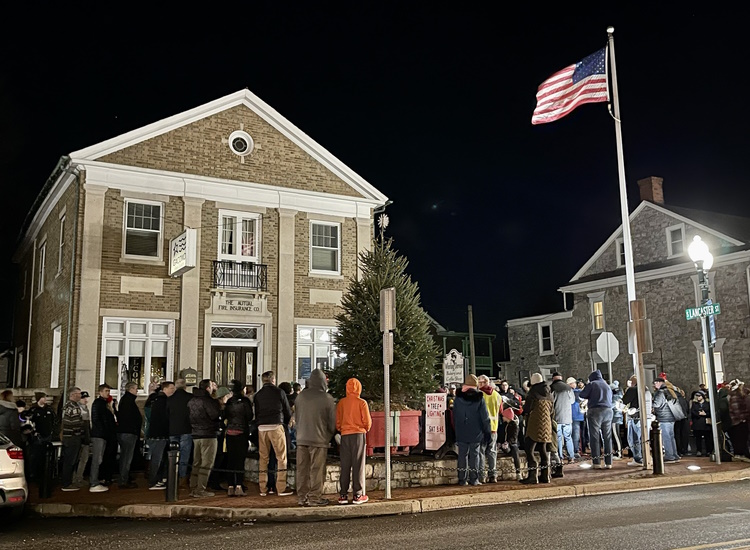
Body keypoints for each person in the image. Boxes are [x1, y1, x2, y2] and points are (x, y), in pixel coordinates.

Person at [295, 369, 336, 506]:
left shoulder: (300, 397)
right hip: (319, 440)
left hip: (301, 438)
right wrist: (328, 437)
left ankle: (302, 497)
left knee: (302, 470)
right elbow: (332, 423)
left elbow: (297, 417)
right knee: (317, 470)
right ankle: (314, 498)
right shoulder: (327, 398)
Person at [254, 371, 293, 497]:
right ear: (273, 380)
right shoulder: (279, 392)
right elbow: (286, 410)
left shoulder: (258, 395)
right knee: (281, 458)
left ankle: (262, 488)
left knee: (263, 458)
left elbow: (257, 411)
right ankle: (281, 487)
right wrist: (286, 423)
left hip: (262, 428)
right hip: (276, 425)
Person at [336, 377, 373, 503]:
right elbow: (367, 422)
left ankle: (343, 494)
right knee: (358, 464)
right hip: (358, 435)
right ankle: (358, 494)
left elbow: (338, 422)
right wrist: (365, 428)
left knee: (345, 465)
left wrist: (342, 429)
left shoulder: (341, 402)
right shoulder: (362, 403)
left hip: (345, 435)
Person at [452, 374, 490, 487]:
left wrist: (456, 430)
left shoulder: (458, 399)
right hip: (476, 431)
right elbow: (485, 417)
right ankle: (474, 479)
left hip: (461, 430)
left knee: (462, 455)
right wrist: (487, 432)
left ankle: (462, 479)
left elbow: (455, 416)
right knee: (475, 455)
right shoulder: (479, 398)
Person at [188, 379, 222, 498]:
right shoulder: (207, 400)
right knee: (207, 462)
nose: (214, 387)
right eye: (212, 385)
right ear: (208, 388)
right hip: (208, 434)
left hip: (196, 433)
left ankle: (193, 486)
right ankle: (200, 489)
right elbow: (214, 415)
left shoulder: (192, 400)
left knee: (196, 461)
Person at [521, 373, 554, 484]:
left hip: (534, 425)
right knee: (543, 450)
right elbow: (552, 411)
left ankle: (532, 476)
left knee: (529, 449)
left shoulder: (533, 393)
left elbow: (527, 409)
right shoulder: (549, 394)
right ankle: (545, 476)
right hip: (546, 425)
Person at [224, 380, 254, 497]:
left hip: (230, 432)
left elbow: (226, 415)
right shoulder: (245, 401)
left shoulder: (229, 401)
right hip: (241, 432)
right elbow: (249, 416)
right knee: (240, 460)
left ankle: (230, 486)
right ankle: (239, 486)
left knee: (231, 459)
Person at [580, 370, 614, 469]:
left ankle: (597, 463)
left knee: (594, 437)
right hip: (608, 411)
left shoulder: (592, 384)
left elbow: (582, 395)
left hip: (595, 411)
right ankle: (609, 463)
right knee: (607, 438)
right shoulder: (607, 385)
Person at [147, 381, 175, 490]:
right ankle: (153, 481)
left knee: (159, 458)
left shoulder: (156, 400)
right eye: (171, 388)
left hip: (157, 434)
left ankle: (158, 479)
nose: (173, 390)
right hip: (159, 434)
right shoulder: (163, 401)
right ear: (165, 389)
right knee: (157, 459)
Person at [90, 384, 116, 492]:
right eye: (106, 391)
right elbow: (98, 419)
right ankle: (94, 482)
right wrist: (104, 431)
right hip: (100, 435)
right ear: (100, 392)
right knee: (97, 458)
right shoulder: (98, 404)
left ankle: (96, 479)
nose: (108, 393)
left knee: (100, 458)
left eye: (109, 391)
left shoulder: (104, 404)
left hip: (103, 434)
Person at [116, 381, 142, 488]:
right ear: (130, 389)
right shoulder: (129, 401)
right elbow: (130, 418)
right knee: (126, 457)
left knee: (125, 457)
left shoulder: (125, 400)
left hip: (126, 432)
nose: (137, 391)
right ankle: (123, 480)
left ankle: (124, 478)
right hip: (128, 432)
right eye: (136, 389)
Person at [622, 375, 652, 466]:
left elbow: (624, 402)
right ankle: (646, 458)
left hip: (635, 418)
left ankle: (638, 459)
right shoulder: (647, 390)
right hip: (647, 417)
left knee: (634, 440)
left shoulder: (632, 390)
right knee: (644, 439)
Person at [168, 379, 194, 485]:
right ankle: (182, 477)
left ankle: (172, 477)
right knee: (184, 454)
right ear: (185, 387)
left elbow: (167, 414)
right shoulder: (190, 398)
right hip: (186, 429)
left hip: (173, 430)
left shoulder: (170, 399)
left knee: (173, 455)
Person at [477, 375, 501, 483]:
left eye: (478, 382)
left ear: (482, 383)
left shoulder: (479, 395)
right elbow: (500, 411)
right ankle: (493, 475)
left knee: (481, 452)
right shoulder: (497, 395)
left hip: (482, 428)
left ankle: (481, 476)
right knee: (492, 451)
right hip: (494, 427)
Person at [28, 392, 56, 480]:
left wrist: (52, 431)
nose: (45, 399)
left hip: (48, 435)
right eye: (44, 397)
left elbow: (54, 420)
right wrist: (34, 432)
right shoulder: (33, 410)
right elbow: (29, 422)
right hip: (38, 436)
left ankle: (45, 474)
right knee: (36, 455)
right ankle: (35, 474)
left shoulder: (49, 409)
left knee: (46, 455)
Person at [60, 387, 84, 491]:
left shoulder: (67, 406)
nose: (80, 395)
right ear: (73, 395)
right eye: (78, 393)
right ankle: (67, 483)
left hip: (68, 436)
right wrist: (80, 432)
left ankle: (67, 481)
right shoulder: (74, 407)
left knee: (68, 460)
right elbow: (75, 423)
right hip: (73, 437)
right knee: (70, 460)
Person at [653, 377, 680, 463]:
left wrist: (651, 403)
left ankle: (669, 456)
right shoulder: (670, 391)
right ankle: (674, 455)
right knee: (671, 437)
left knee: (666, 437)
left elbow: (657, 404)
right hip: (671, 417)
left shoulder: (661, 392)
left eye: (655, 383)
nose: (654, 385)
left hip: (664, 417)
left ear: (658, 383)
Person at [550, 373, 575, 463]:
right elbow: (572, 401)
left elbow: (550, 402)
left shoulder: (552, 388)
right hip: (567, 417)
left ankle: (560, 458)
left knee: (558, 438)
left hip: (557, 417)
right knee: (568, 437)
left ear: (553, 379)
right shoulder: (568, 388)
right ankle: (571, 457)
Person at [73, 391, 91, 486]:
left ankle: (79, 477)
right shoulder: (78, 409)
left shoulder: (86, 409)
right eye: (83, 398)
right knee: (78, 459)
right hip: (80, 438)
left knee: (84, 459)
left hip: (85, 438)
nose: (85, 400)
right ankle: (75, 478)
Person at [691, 391, 713, 457]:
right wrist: (698, 414)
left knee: (707, 438)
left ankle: (709, 451)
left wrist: (705, 414)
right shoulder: (695, 404)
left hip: (706, 423)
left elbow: (710, 412)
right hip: (697, 423)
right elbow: (692, 412)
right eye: (697, 396)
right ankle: (699, 450)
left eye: (699, 396)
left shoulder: (708, 404)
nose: (698, 397)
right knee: (698, 438)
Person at [611, 381, 624, 459]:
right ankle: (617, 451)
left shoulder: (615, 398)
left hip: (615, 417)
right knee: (616, 435)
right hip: (617, 417)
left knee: (616, 436)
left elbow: (610, 406)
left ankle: (618, 453)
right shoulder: (619, 396)